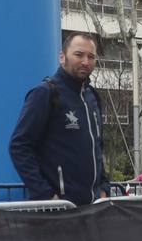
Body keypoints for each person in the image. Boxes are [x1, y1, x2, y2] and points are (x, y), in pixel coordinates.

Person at [9, 32, 108, 205]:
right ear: (62, 57)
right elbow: (19, 146)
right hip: (58, 212)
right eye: (78, 54)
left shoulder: (93, 97)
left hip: (93, 211)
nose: (85, 61)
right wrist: (46, 196)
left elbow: (97, 148)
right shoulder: (45, 93)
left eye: (91, 56)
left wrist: (104, 189)